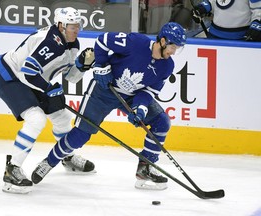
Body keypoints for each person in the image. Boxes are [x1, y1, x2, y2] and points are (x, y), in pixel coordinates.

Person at [31, 22, 186, 190]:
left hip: (130, 97)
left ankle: (145, 169)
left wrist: (140, 109)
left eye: (177, 48)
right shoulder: (136, 42)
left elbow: (148, 92)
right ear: (162, 41)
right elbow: (103, 40)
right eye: (173, 46)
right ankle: (49, 162)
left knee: (162, 122)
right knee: (81, 135)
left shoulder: (167, 66)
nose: (173, 51)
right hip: (103, 91)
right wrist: (101, 66)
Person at [0, 7, 96, 194]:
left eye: (78, 25)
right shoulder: (51, 42)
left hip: (31, 80)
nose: (77, 29)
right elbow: (28, 71)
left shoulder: (73, 44)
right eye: (72, 26)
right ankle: (12, 169)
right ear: (60, 26)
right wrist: (48, 88)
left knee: (62, 116)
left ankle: (66, 156)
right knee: (36, 119)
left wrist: (82, 65)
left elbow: (71, 77)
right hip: (11, 79)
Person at [191, 0, 261, 41]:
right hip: (214, 35)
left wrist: (257, 25)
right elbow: (213, 2)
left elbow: (258, 9)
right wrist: (202, 8)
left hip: (240, 38)